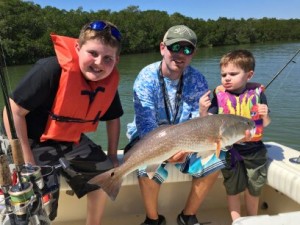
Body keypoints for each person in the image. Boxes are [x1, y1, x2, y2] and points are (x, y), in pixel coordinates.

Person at [3, 20, 123, 225]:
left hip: (67, 138)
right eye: (93, 53)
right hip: (27, 138)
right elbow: (12, 112)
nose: (99, 63)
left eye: (107, 58)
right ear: (77, 48)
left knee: (106, 176)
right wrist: (26, 157)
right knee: (40, 197)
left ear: (116, 60)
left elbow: (113, 119)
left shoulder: (107, 81)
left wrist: (112, 155)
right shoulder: (49, 69)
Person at [126, 25, 227, 225]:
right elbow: (146, 125)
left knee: (217, 159)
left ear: (193, 54)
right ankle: (153, 219)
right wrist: (169, 152)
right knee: (144, 168)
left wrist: (185, 150)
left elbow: (200, 122)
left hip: (187, 139)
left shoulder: (197, 79)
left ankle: (187, 216)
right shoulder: (146, 78)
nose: (181, 54)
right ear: (163, 48)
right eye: (175, 47)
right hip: (151, 138)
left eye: (187, 50)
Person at [199, 49, 271, 221]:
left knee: (254, 187)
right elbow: (207, 123)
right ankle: (237, 221)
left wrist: (265, 114)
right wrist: (203, 110)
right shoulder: (218, 95)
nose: (227, 78)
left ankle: (252, 220)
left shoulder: (258, 94)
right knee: (233, 188)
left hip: (254, 150)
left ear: (249, 74)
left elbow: (265, 124)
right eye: (223, 74)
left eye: (233, 73)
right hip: (229, 150)